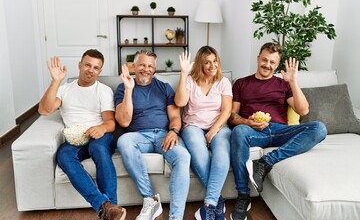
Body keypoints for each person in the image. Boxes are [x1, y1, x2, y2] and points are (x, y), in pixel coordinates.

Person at [228, 42, 327, 220]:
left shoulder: (284, 84)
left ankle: (265, 163)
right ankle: (243, 196)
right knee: (238, 131)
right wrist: (247, 122)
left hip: (280, 130)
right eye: (264, 60)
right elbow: (232, 117)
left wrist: (293, 81)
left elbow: (303, 110)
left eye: (272, 62)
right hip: (253, 131)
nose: (267, 65)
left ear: (277, 64)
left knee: (319, 128)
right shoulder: (241, 84)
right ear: (258, 58)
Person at [38, 49, 126, 220]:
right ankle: (106, 207)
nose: (90, 70)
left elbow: (110, 123)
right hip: (75, 139)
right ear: (79, 65)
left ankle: (110, 207)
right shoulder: (64, 89)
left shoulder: (103, 90)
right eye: (87, 65)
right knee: (63, 155)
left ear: (99, 71)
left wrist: (101, 128)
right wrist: (55, 81)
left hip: (100, 137)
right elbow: (44, 110)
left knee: (99, 148)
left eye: (96, 68)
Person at [114, 49, 191, 220]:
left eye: (150, 66)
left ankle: (176, 217)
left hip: (165, 134)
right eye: (142, 64)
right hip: (139, 136)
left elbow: (175, 117)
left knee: (183, 156)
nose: (146, 69)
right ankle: (150, 199)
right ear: (133, 66)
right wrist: (128, 90)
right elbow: (124, 122)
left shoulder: (164, 88)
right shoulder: (122, 88)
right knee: (124, 141)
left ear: (155, 69)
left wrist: (173, 131)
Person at [174, 46, 232, 220]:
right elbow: (180, 101)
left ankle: (209, 205)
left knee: (221, 153)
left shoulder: (223, 82)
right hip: (193, 126)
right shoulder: (191, 81)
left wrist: (214, 130)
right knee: (199, 154)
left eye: (215, 61)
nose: (212, 65)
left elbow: (227, 110)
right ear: (200, 64)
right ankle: (217, 200)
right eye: (207, 62)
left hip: (219, 126)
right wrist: (183, 74)